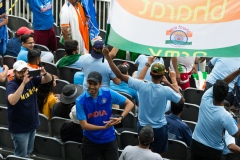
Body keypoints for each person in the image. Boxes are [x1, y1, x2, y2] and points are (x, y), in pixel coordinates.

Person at [102, 48, 185, 154]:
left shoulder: (141, 85)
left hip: (142, 126)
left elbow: (119, 75)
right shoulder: (166, 90)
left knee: (142, 152)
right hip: (159, 129)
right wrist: (169, 82)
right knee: (157, 155)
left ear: (151, 73)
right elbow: (181, 99)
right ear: (162, 76)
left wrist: (108, 57)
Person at [76, 71, 134, 160]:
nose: (91, 87)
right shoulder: (80, 101)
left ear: (100, 84)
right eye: (90, 83)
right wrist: (103, 127)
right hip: (90, 140)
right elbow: (84, 126)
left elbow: (129, 103)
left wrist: (120, 117)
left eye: (94, 84)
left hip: (109, 139)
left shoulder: (108, 93)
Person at [190, 69, 240, 160]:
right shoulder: (226, 116)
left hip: (195, 144)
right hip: (213, 152)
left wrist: (238, 71)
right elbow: (236, 134)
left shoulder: (205, 97)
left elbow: (224, 82)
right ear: (226, 97)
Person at [6, 60, 52, 157]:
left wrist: (45, 73)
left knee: (28, 152)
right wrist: (23, 84)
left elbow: (48, 80)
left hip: (32, 124)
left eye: (24, 71)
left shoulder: (32, 79)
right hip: (19, 128)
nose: (23, 74)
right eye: (20, 72)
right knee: (20, 155)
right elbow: (12, 101)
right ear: (14, 72)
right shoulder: (12, 85)